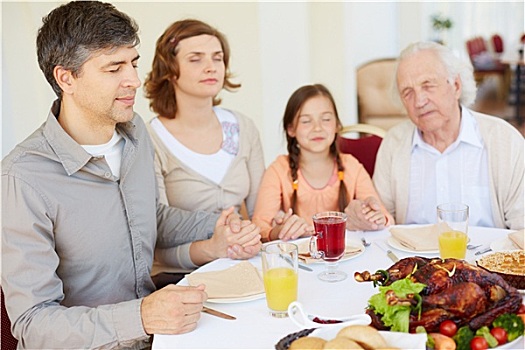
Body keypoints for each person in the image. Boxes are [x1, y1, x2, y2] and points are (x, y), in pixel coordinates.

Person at [1, 2, 260, 349]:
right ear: (66, 78)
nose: (134, 80)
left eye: (134, 63)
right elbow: (33, 324)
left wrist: (216, 224)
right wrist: (141, 317)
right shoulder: (23, 178)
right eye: (114, 68)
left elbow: (151, 217)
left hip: (162, 336)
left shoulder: (134, 131)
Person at [143, 19, 264, 286]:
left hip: (245, 268)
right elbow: (155, 242)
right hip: (181, 281)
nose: (211, 67)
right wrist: (212, 248)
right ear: (170, 70)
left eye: (217, 58)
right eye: (195, 59)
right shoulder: (149, 140)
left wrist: (262, 231)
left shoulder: (243, 128)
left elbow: (260, 215)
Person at [373, 41, 524, 230]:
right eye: (407, 92)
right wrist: (367, 218)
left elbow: (522, 228)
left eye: (428, 85)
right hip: (413, 260)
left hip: (488, 258)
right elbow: (380, 224)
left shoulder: (505, 141)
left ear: (456, 86)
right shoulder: (393, 144)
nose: (419, 101)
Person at [252, 84, 393, 242]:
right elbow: (259, 225)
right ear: (291, 129)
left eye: (325, 119)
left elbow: (387, 220)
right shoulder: (278, 170)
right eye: (306, 121)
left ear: (337, 126)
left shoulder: (352, 167)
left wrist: (373, 218)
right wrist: (278, 231)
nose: (317, 128)